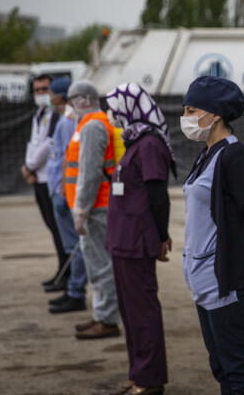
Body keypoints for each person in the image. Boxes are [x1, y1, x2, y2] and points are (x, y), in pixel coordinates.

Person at [181, 76, 244, 395]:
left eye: (191, 110)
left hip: (227, 284)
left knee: (241, 372)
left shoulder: (234, 156)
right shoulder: (208, 153)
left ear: (214, 113)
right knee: (222, 369)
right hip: (203, 281)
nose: (186, 117)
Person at [104, 83, 175, 395]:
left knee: (143, 313)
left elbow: (159, 197)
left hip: (137, 240)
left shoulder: (148, 145)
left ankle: (150, 380)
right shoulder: (133, 141)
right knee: (130, 313)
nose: (112, 115)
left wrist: (162, 237)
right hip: (122, 240)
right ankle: (138, 374)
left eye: (115, 108)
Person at [65, 81, 120, 340]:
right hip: (98, 206)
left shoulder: (93, 126)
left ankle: (107, 319)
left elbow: (89, 174)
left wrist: (81, 210)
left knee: (101, 265)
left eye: (71, 100)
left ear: (84, 99)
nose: (69, 107)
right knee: (98, 264)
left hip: (97, 207)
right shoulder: (92, 124)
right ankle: (101, 315)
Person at [21, 74, 69, 292]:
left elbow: (49, 145)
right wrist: (28, 168)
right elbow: (34, 143)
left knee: (60, 229)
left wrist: (30, 165)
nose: (42, 94)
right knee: (52, 227)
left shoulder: (58, 116)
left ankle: (66, 274)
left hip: (49, 179)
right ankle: (62, 269)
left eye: (45, 89)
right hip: (38, 177)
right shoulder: (39, 114)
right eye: (37, 89)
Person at [45, 77, 88, 314]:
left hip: (66, 191)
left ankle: (75, 291)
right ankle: (72, 289)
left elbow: (71, 157)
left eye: (51, 93)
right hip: (60, 189)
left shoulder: (70, 122)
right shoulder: (65, 119)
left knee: (75, 246)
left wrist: (63, 191)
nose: (49, 97)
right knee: (72, 245)